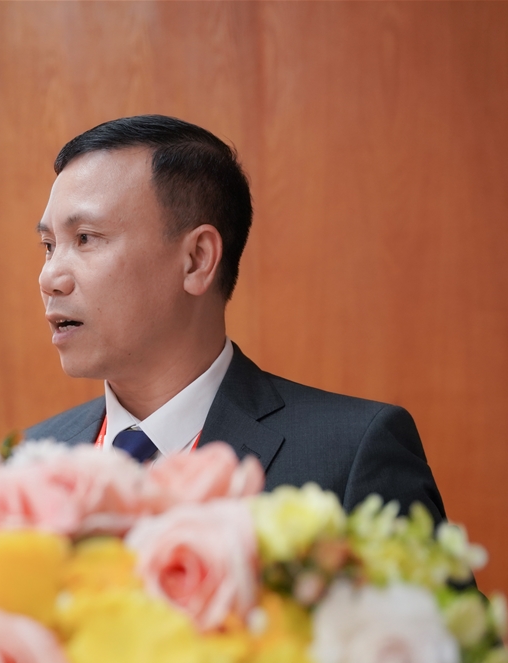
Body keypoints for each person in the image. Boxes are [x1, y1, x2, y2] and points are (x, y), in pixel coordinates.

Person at [26, 114, 447, 519]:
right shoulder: (32, 460)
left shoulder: (352, 453)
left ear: (197, 259)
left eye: (85, 238)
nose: (49, 279)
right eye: (49, 246)